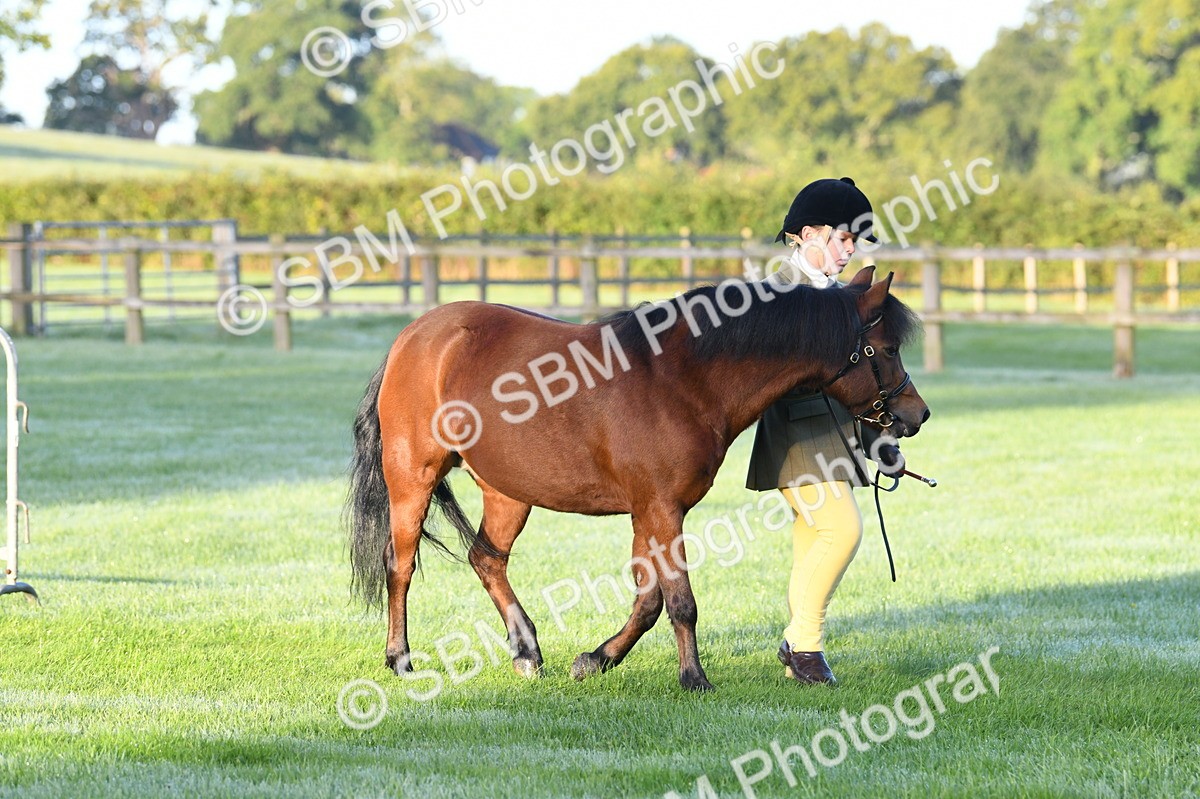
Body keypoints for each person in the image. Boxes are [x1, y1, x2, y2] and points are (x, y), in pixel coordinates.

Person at [746, 176, 898, 685]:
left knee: (812, 543)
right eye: (843, 240)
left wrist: (878, 439)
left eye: (854, 243)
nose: (849, 252)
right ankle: (803, 645)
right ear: (809, 234)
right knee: (842, 531)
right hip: (795, 439)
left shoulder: (838, 296)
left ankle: (799, 653)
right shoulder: (778, 295)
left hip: (836, 440)